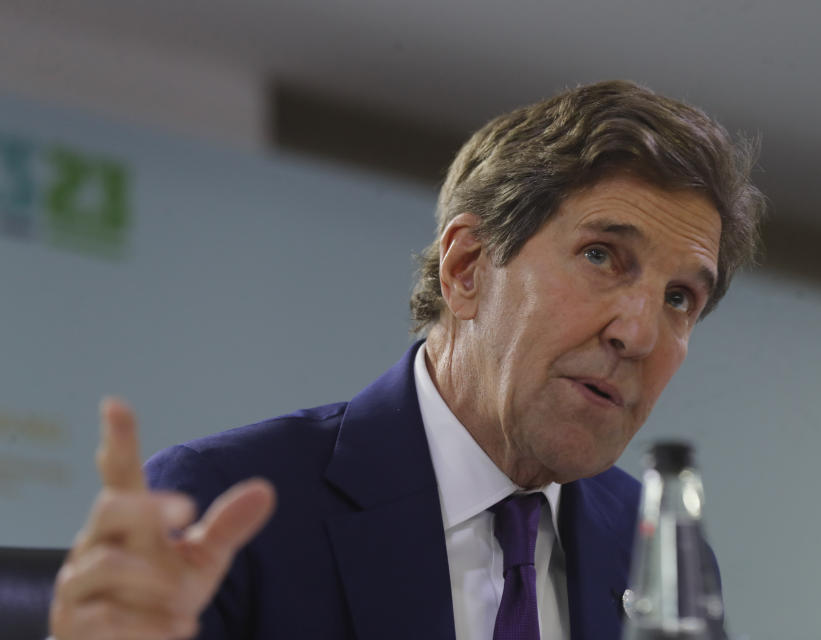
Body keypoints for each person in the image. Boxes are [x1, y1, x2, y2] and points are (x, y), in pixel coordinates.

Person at [47, 80, 765, 639]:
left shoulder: (657, 549)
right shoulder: (230, 505)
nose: (637, 332)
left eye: (679, 298)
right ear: (468, 268)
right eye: (603, 256)